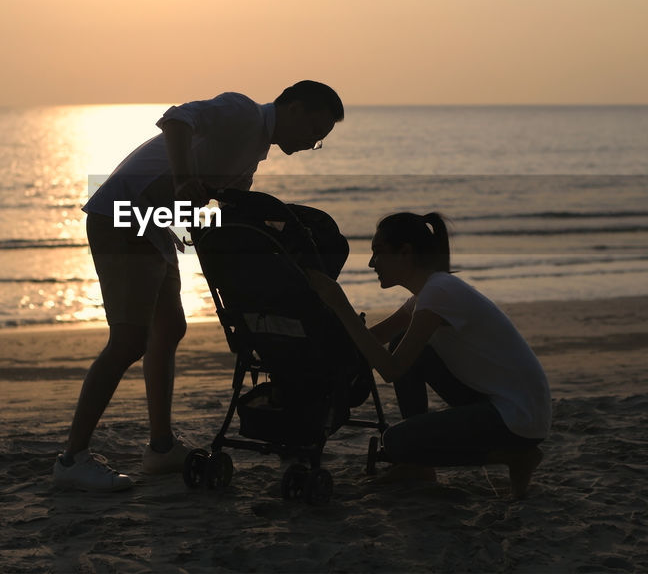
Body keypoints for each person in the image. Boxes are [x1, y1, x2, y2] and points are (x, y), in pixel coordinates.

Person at [54, 80, 344, 492]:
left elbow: (228, 208)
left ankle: (160, 448)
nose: (313, 142)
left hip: (151, 226)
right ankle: (71, 459)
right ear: (295, 108)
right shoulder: (242, 112)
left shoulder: (254, 149)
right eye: (315, 133)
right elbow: (176, 120)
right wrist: (183, 178)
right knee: (130, 340)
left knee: (169, 329)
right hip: (121, 215)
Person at [306, 212, 551, 499]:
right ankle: (417, 467)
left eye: (378, 252)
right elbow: (373, 340)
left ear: (405, 252)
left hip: (519, 415)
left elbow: (391, 369)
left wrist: (340, 303)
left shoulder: (439, 292)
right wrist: (319, 330)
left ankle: (515, 456)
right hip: (499, 401)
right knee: (401, 340)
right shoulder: (428, 293)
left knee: (397, 442)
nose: (372, 263)